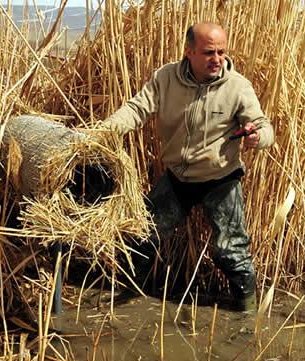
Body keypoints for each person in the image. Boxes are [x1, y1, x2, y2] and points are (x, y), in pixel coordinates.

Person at [101, 22, 274, 311]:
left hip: (221, 179)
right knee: (142, 236)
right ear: (189, 52)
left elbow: (263, 125)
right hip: (178, 178)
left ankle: (247, 314)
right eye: (208, 52)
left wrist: (258, 136)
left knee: (232, 252)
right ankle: (127, 302)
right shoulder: (166, 77)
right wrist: (105, 131)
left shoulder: (237, 87)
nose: (217, 59)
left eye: (221, 51)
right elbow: (136, 109)